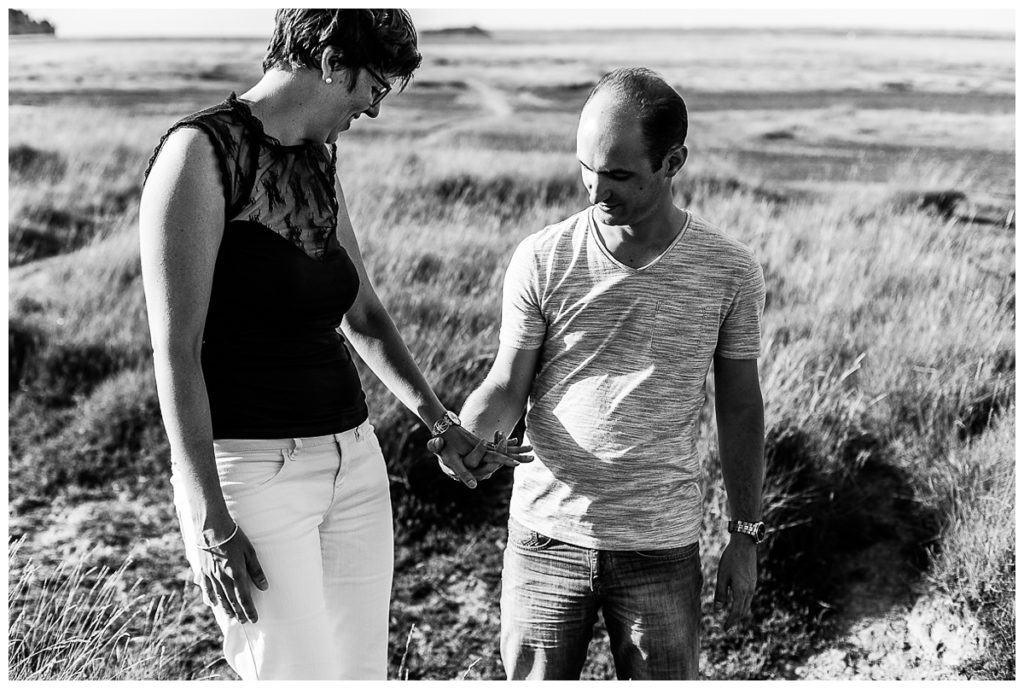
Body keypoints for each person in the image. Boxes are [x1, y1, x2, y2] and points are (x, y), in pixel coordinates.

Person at [139, 9, 528, 681]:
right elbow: (177, 349)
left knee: (359, 674)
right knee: (295, 673)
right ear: (330, 61)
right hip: (253, 474)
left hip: (354, 462)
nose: (373, 109)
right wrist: (206, 514)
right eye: (373, 87)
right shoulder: (199, 156)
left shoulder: (318, 159)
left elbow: (365, 313)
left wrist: (442, 423)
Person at [429, 67, 766, 680]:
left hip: (660, 546)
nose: (595, 190)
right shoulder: (542, 256)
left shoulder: (729, 271)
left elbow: (741, 408)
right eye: (586, 169)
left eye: (618, 174)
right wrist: (470, 434)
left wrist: (743, 534)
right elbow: (508, 384)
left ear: (673, 161)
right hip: (544, 539)